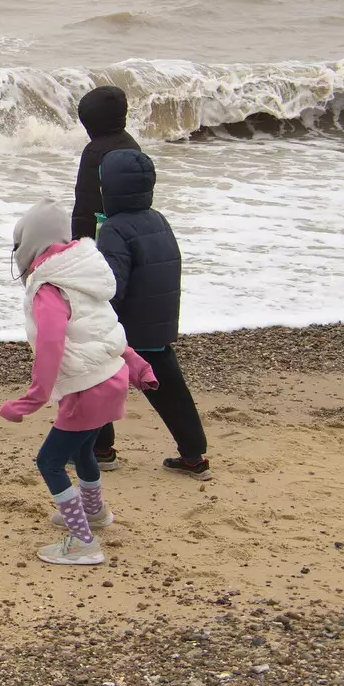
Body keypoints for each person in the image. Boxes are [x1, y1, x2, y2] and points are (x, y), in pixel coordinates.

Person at [0, 200, 157, 565]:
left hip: (88, 387)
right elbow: (104, 330)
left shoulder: (49, 287)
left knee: (49, 462)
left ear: (29, 245)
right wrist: (137, 365)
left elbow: (51, 345)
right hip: (111, 379)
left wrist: (31, 399)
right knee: (81, 451)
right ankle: (96, 513)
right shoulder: (81, 273)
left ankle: (83, 542)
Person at [96, 150, 209, 478]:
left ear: (112, 190)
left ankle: (101, 451)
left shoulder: (114, 229)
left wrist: (99, 320)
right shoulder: (159, 220)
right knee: (173, 394)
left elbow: (113, 285)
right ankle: (193, 456)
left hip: (127, 330)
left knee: (98, 382)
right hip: (157, 326)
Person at [70, 85, 141, 469]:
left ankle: (102, 448)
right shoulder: (132, 146)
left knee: (93, 346)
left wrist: (75, 252)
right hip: (130, 245)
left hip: (100, 253)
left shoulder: (95, 152)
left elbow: (84, 208)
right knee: (116, 342)